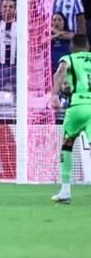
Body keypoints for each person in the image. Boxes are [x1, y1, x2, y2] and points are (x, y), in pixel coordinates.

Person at [50, 34, 91, 204]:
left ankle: (65, 191)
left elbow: (60, 72)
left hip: (77, 107)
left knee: (67, 145)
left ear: (72, 47)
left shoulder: (69, 58)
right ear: (87, 46)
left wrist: (54, 95)